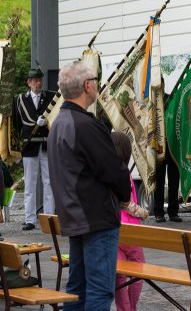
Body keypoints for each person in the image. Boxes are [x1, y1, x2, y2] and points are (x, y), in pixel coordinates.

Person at [48, 61, 131, 310]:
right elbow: (112, 170)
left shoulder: (58, 124)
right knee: (100, 291)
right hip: (96, 218)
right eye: (95, 80)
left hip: (74, 216)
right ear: (87, 85)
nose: (97, 84)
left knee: (77, 289)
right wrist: (125, 195)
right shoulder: (86, 125)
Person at [13, 67, 56, 230]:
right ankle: (30, 219)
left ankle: (50, 218)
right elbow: (17, 123)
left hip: (46, 143)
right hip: (29, 145)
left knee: (49, 182)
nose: (38, 83)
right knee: (30, 183)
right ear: (29, 83)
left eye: (40, 80)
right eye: (35, 80)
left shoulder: (51, 97)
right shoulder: (20, 100)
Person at [112, 131, 148, 311]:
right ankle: (131, 307)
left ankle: (123, 308)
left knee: (119, 275)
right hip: (132, 231)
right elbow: (128, 204)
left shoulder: (106, 173)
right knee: (138, 272)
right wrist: (143, 213)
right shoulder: (123, 173)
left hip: (115, 230)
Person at [154, 77, 182, 223]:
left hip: (172, 146)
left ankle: (173, 212)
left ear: (164, 85)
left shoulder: (171, 99)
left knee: (174, 180)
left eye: (161, 83)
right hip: (157, 147)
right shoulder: (151, 103)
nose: (160, 86)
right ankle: (158, 212)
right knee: (158, 181)